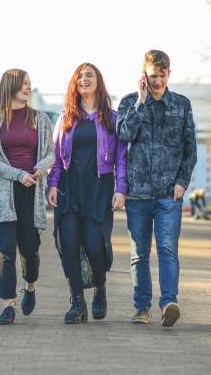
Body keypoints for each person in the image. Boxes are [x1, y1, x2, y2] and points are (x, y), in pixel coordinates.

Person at [117, 49, 197, 327]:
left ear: (169, 74)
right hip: (137, 193)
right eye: (153, 76)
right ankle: (142, 308)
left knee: (167, 249)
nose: (158, 81)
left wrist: (182, 182)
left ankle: (168, 303)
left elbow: (190, 148)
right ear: (144, 75)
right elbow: (124, 134)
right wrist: (141, 103)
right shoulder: (129, 102)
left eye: (162, 75)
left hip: (168, 193)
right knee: (139, 254)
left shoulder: (182, 105)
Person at [47, 63, 127, 324]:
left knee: (94, 244)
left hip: (99, 188)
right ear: (75, 84)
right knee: (68, 243)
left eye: (89, 75)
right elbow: (56, 157)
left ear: (98, 82)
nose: (84, 79)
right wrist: (53, 184)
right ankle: (77, 301)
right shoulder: (66, 118)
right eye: (79, 76)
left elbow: (121, 157)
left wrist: (121, 188)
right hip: (69, 188)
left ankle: (100, 287)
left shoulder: (111, 118)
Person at [0, 69, 54, 325]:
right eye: (24, 83)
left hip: (31, 192)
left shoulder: (40, 118)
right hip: (3, 193)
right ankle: (8, 305)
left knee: (30, 250)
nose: (28, 88)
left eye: (29, 84)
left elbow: (50, 153)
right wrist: (17, 174)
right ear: (10, 86)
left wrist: (39, 169)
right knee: (4, 250)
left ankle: (30, 286)